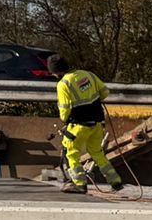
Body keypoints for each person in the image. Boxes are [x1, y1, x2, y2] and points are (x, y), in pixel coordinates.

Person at [47, 54, 122, 193]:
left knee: (71, 154)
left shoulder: (63, 84)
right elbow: (105, 92)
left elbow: (64, 111)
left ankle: (80, 184)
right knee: (97, 153)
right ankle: (115, 181)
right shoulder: (88, 75)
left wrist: (65, 119)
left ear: (56, 72)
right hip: (96, 124)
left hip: (78, 126)